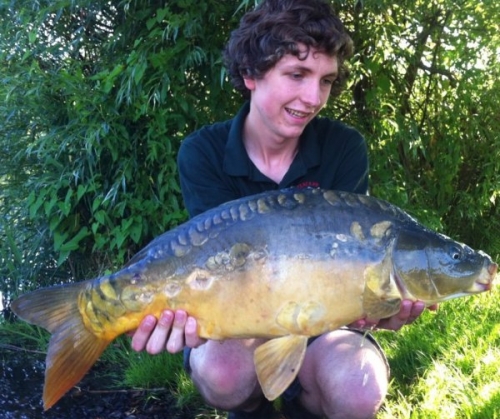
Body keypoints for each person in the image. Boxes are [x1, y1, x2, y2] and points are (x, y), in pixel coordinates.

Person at [131, 1, 431, 418]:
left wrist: (378, 308)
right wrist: (177, 311)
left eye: (325, 80)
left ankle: (306, 405)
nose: (313, 98)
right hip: (240, 315)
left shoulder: (343, 148)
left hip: (323, 322)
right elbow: (214, 266)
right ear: (251, 74)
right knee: (223, 373)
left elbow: (358, 271)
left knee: (358, 387)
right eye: (297, 74)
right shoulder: (203, 152)